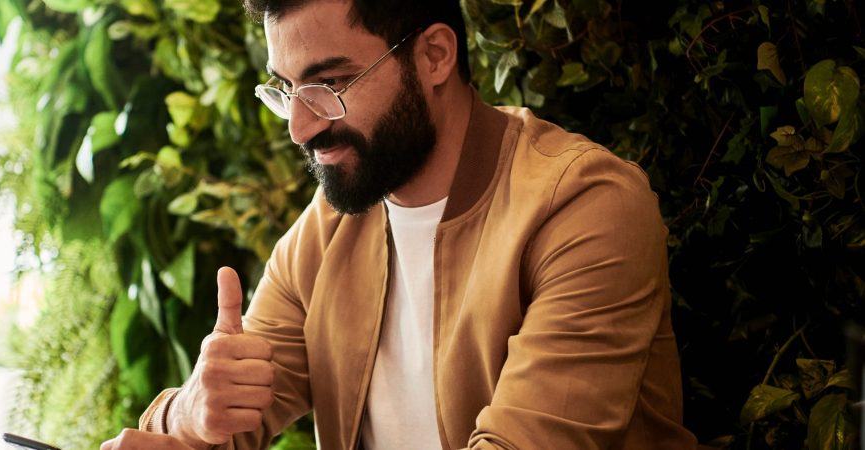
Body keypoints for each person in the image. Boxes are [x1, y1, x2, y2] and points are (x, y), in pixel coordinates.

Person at [100, 0, 699, 448]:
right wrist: (190, 412)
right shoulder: (326, 232)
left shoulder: (585, 206)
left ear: (434, 55)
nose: (300, 128)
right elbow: (226, 423)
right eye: (286, 90)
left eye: (330, 84)